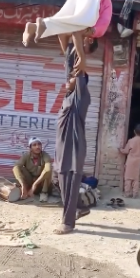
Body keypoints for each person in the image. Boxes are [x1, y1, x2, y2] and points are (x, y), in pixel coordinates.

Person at [22, 0, 112, 72]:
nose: (78, 48)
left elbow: (62, 33)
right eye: (83, 47)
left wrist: (67, 57)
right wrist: (82, 58)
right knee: (77, 25)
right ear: (90, 40)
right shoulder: (99, 31)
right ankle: (41, 25)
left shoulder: (88, 23)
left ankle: (34, 26)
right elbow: (77, 33)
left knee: (66, 24)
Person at [54, 53, 91, 234]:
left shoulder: (80, 99)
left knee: (69, 185)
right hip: (62, 150)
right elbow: (70, 68)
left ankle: (68, 223)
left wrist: (80, 52)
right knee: (59, 181)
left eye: (71, 79)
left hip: (74, 149)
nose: (67, 82)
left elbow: (78, 74)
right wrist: (71, 49)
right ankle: (79, 208)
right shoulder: (68, 98)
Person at [13, 137, 52, 202]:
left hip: (41, 184)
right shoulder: (26, 155)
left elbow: (47, 170)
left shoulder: (45, 155)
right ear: (30, 148)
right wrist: (23, 184)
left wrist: (35, 185)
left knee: (49, 168)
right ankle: (24, 188)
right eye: (34, 145)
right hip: (30, 182)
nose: (37, 147)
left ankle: (44, 193)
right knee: (19, 168)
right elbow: (15, 167)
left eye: (39, 144)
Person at [119, 124, 140, 198]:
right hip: (138, 161)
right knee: (135, 178)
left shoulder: (131, 141)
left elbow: (125, 151)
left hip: (131, 161)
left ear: (134, 131)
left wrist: (120, 150)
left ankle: (127, 193)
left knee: (128, 178)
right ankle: (135, 193)